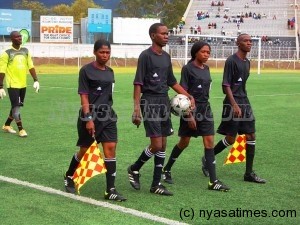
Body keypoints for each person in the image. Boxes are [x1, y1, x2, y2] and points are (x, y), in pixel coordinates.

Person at [128, 23, 195, 196]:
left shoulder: (166, 57)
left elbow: (172, 82)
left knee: (163, 144)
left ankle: (156, 184)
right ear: (152, 35)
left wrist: (188, 96)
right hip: (149, 101)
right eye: (163, 34)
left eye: (168, 34)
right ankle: (134, 168)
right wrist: (136, 109)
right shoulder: (145, 56)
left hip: (164, 101)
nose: (167, 36)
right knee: (156, 144)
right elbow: (138, 84)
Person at [63, 39, 126, 201]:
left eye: (107, 52)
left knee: (110, 148)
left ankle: (110, 190)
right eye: (102, 52)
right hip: (90, 115)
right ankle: (69, 175)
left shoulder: (110, 71)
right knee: (85, 150)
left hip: (108, 115)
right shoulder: (85, 70)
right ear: (95, 52)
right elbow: (83, 96)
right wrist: (89, 118)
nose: (105, 55)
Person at [162, 41, 229, 192]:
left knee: (209, 142)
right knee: (184, 142)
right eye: (204, 52)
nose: (206, 55)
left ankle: (213, 181)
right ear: (195, 52)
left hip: (206, 110)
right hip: (190, 111)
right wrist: (188, 115)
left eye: (208, 52)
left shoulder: (207, 69)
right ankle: (166, 169)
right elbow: (182, 93)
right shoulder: (187, 69)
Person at [202, 33, 266, 184]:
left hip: (244, 101)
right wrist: (234, 104)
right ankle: (207, 158)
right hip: (232, 102)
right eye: (246, 41)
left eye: (250, 41)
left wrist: (242, 102)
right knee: (231, 139)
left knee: (251, 136)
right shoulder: (231, 61)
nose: (249, 43)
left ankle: (249, 173)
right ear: (238, 43)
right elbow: (226, 85)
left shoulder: (247, 62)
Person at [0, 30, 40, 137]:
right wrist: (0, 86)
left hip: (23, 84)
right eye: (17, 37)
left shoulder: (25, 51)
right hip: (12, 85)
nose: (20, 38)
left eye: (20, 36)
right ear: (12, 39)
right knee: (16, 106)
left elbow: (30, 66)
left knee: (16, 106)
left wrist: (36, 80)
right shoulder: (6, 53)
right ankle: (21, 129)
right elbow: (2, 70)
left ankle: (7, 125)